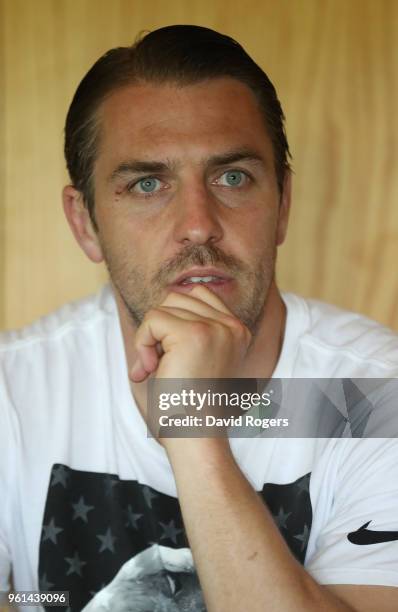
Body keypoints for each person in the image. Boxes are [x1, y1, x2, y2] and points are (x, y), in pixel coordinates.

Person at [1, 24, 397, 612]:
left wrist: (193, 424)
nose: (198, 223)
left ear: (283, 203)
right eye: (148, 183)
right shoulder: (12, 389)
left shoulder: (373, 396)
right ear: (84, 222)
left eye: (232, 177)